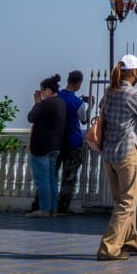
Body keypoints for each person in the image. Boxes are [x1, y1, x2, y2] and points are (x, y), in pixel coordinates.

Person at [96, 54, 137, 261]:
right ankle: (109, 247)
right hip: (127, 153)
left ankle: (131, 241)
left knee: (120, 199)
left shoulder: (110, 92)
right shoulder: (134, 96)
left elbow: (114, 109)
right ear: (134, 72)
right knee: (128, 202)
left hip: (109, 154)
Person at [27, 74, 67, 218]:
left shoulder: (46, 104)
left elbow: (31, 117)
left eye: (42, 90)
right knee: (51, 178)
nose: (41, 93)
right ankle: (53, 209)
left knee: (42, 179)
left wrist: (37, 102)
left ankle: (44, 209)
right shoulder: (61, 103)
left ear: (48, 90)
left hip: (41, 146)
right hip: (55, 146)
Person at [55, 70, 89, 214]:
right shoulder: (78, 102)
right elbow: (83, 120)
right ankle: (62, 207)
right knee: (69, 177)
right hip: (73, 141)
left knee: (51, 173)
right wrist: (90, 106)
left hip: (56, 141)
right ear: (79, 83)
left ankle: (44, 204)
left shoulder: (56, 96)